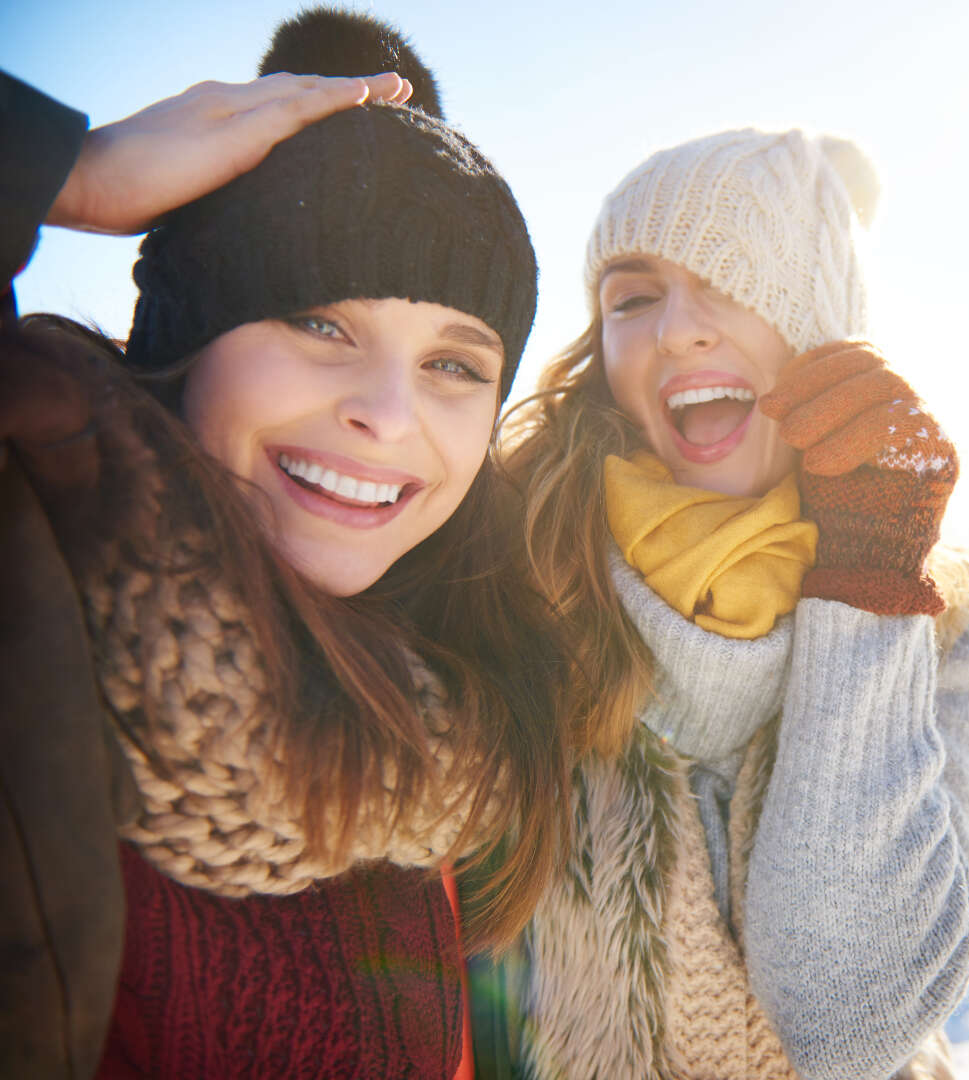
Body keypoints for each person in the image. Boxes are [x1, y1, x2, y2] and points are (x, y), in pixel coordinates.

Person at [1, 11, 576, 1078]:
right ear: (183, 341)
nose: (389, 414)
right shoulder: (30, 608)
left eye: (456, 363)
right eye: (318, 322)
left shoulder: (452, 729)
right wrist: (67, 169)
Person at [495, 129, 969, 1078]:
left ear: (824, 332)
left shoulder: (937, 613)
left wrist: (869, 585)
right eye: (633, 300)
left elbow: (853, 1022)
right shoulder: (515, 572)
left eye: (728, 281)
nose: (674, 330)